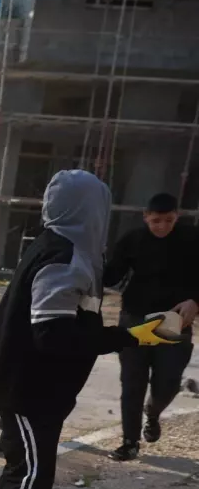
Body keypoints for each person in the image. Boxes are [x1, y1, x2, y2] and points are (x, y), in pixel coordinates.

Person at [0, 170, 177, 489]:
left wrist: (124, 333)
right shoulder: (65, 256)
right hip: (29, 389)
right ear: (90, 211)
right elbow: (51, 335)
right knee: (33, 474)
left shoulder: (60, 247)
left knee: (19, 469)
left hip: (31, 384)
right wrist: (128, 336)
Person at [103, 192, 199, 461]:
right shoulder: (131, 240)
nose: (162, 226)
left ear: (176, 217)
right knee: (131, 382)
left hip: (175, 322)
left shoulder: (192, 239)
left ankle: (153, 413)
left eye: (168, 220)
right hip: (135, 319)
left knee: (167, 383)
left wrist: (196, 301)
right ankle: (129, 442)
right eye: (156, 220)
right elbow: (111, 275)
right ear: (145, 217)